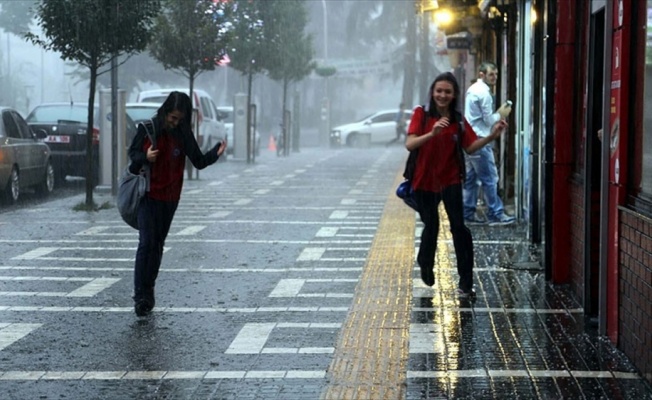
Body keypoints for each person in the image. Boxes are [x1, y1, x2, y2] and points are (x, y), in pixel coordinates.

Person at [405, 72, 508, 298]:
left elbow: (470, 148)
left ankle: (466, 281)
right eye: (439, 91)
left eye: (447, 92)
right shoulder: (421, 114)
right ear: (433, 92)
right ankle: (425, 262)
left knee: (459, 229)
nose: (442, 95)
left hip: (450, 181)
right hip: (424, 181)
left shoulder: (458, 120)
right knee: (431, 227)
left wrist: (492, 136)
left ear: (454, 95)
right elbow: (410, 144)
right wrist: (432, 133)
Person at [127, 91, 226, 316]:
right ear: (164, 112)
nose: (175, 122)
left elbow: (198, 161)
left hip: (170, 199)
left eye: (179, 119)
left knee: (158, 244)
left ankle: (148, 289)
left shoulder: (183, 133)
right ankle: (140, 294)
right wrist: (145, 157)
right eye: (172, 117)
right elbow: (133, 157)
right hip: (148, 194)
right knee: (146, 243)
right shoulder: (148, 129)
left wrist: (215, 153)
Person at [463, 61, 515, 226]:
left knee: (471, 178)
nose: (495, 78)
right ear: (482, 74)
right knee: (490, 177)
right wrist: (501, 114)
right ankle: (496, 213)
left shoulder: (472, 90)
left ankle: (468, 212)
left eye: (496, 74)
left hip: (470, 139)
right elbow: (487, 120)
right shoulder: (484, 94)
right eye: (491, 74)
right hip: (481, 140)